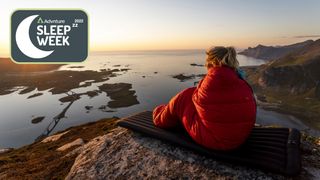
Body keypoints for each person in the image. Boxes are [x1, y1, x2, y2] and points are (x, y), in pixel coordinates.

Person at [153, 46, 256, 150]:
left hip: (216, 141)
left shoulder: (211, 81)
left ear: (211, 62)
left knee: (184, 97)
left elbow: (196, 99)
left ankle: (159, 117)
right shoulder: (241, 82)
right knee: (191, 95)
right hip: (240, 138)